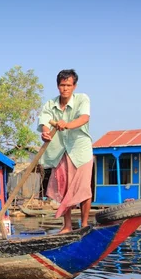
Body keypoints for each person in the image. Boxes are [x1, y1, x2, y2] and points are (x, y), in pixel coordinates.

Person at [38, 69, 92, 234]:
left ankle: (83, 225)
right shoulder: (50, 105)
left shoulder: (82, 99)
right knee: (64, 189)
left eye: (68, 85)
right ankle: (67, 226)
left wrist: (67, 124)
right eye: (62, 85)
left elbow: (84, 118)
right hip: (60, 152)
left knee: (83, 188)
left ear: (74, 86)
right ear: (58, 86)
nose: (65, 88)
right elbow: (44, 123)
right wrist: (46, 133)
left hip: (81, 151)